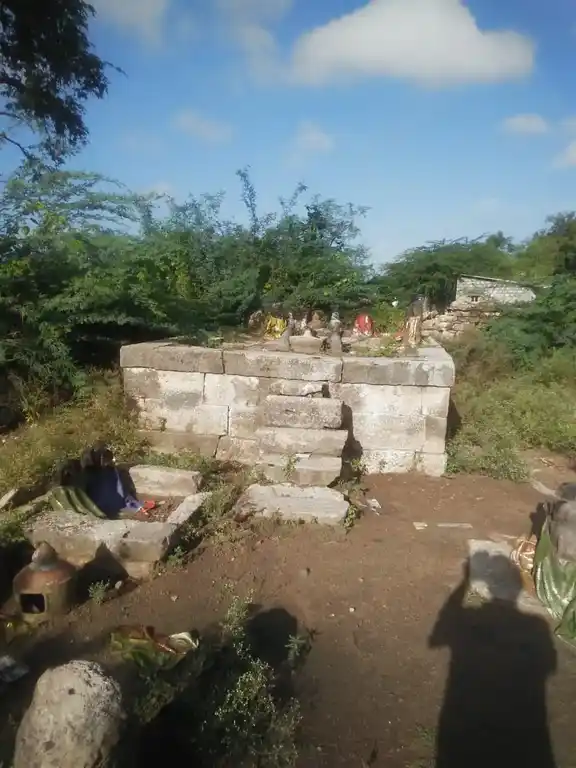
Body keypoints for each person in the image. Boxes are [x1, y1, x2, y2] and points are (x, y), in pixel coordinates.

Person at [429, 555, 557, 768]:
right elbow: (550, 665)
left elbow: (439, 634)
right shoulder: (537, 625)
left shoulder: (533, 624)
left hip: (465, 710)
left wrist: (466, 580)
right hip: (525, 722)